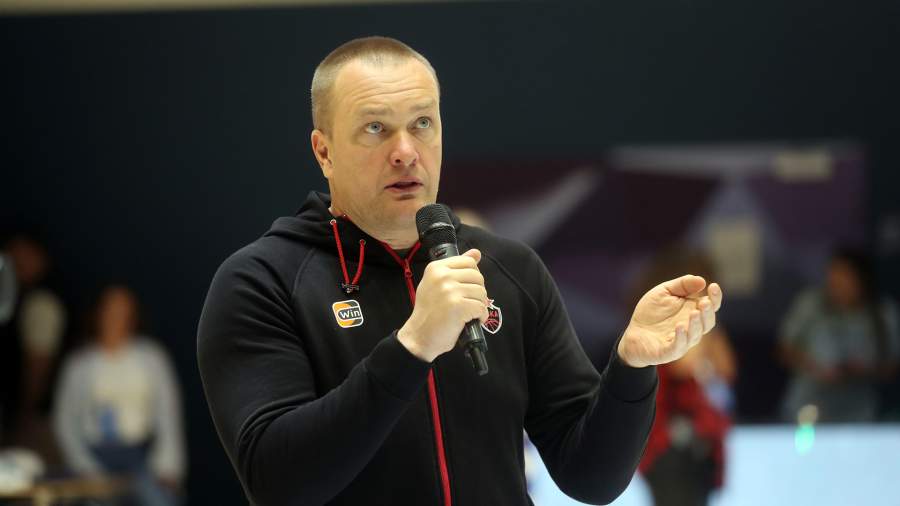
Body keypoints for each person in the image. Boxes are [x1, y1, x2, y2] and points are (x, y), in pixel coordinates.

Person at [197, 36, 725, 506]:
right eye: (376, 128)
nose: (405, 151)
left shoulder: (509, 269)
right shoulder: (262, 282)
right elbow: (278, 483)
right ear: (324, 151)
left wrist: (632, 367)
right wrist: (412, 347)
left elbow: (591, 478)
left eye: (422, 124)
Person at [53, 285, 186, 506]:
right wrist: (84, 467)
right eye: (111, 311)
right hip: (96, 452)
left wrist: (169, 465)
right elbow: (65, 420)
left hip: (139, 455)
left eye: (123, 312)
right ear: (98, 313)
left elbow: (168, 413)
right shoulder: (79, 364)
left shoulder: (152, 357)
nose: (116, 318)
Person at [633, 248, 736, 506]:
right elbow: (684, 366)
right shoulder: (665, 329)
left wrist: (710, 336)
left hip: (704, 444)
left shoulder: (712, 332)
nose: (705, 299)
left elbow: (727, 371)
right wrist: (702, 341)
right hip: (666, 448)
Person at [778, 248, 900, 423]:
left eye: (844, 278)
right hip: (809, 405)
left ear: (862, 280)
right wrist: (818, 369)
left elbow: (893, 366)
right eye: (833, 278)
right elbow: (784, 349)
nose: (837, 285)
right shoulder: (811, 304)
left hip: (860, 410)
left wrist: (861, 371)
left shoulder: (882, 313)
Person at [0, 234, 66, 446]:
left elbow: (38, 365)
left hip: (35, 419)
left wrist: (25, 417)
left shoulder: (41, 302)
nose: (17, 263)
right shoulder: (16, 297)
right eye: (12, 256)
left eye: (24, 256)